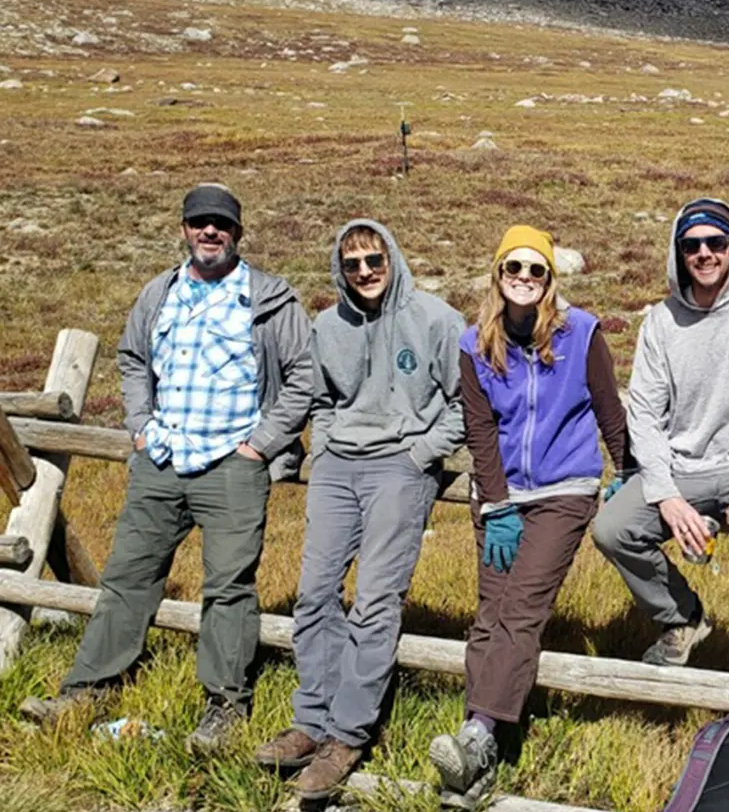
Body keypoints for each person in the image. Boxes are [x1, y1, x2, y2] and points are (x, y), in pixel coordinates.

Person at [20, 184, 313, 750]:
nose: (210, 232)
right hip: (161, 459)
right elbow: (133, 357)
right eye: (200, 222)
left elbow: (303, 375)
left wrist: (262, 444)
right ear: (183, 228)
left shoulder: (270, 298)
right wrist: (140, 422)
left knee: (228, 587)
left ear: (238, 233)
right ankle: (87, 689)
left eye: (221, 224)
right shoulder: (161, 291)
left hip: (232, 461)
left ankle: (224, 707)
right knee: (128, 577)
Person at [253, 219, 466, 800]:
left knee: (375, 598)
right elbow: (320, 400)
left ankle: (346, 736)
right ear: (339, 271)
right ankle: (310, 721)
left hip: (400, 466)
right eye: (353, 265)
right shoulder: (328, 326)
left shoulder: (438, 320)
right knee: (315, 592)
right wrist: (321, 450)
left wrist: (421, 452)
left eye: (375, 260)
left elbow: (465, 401)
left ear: (392, 258)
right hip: (338, 466)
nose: (366, 273)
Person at [427, 226, 630, 807]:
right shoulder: (473, 345)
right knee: (489, 616)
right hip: (501, 494)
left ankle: (478, 732)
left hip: (564, 490)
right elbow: (480, 429)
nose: (524, 279)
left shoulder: (582, 333)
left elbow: (607, 408)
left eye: (535, 270)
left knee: (521, 608)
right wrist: (496, 504)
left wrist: (629, 472)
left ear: (549, 280)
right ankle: (475, 767)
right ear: (498, 275)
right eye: (513, 268)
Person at [592, 198, 729, 680]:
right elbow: (646, 416)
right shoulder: (661, 320)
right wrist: (666, 495)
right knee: (612, 528)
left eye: (717, 242)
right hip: (681, 469)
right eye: (691, 245)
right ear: (678, 253)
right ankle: (682, 618)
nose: (705, 254)